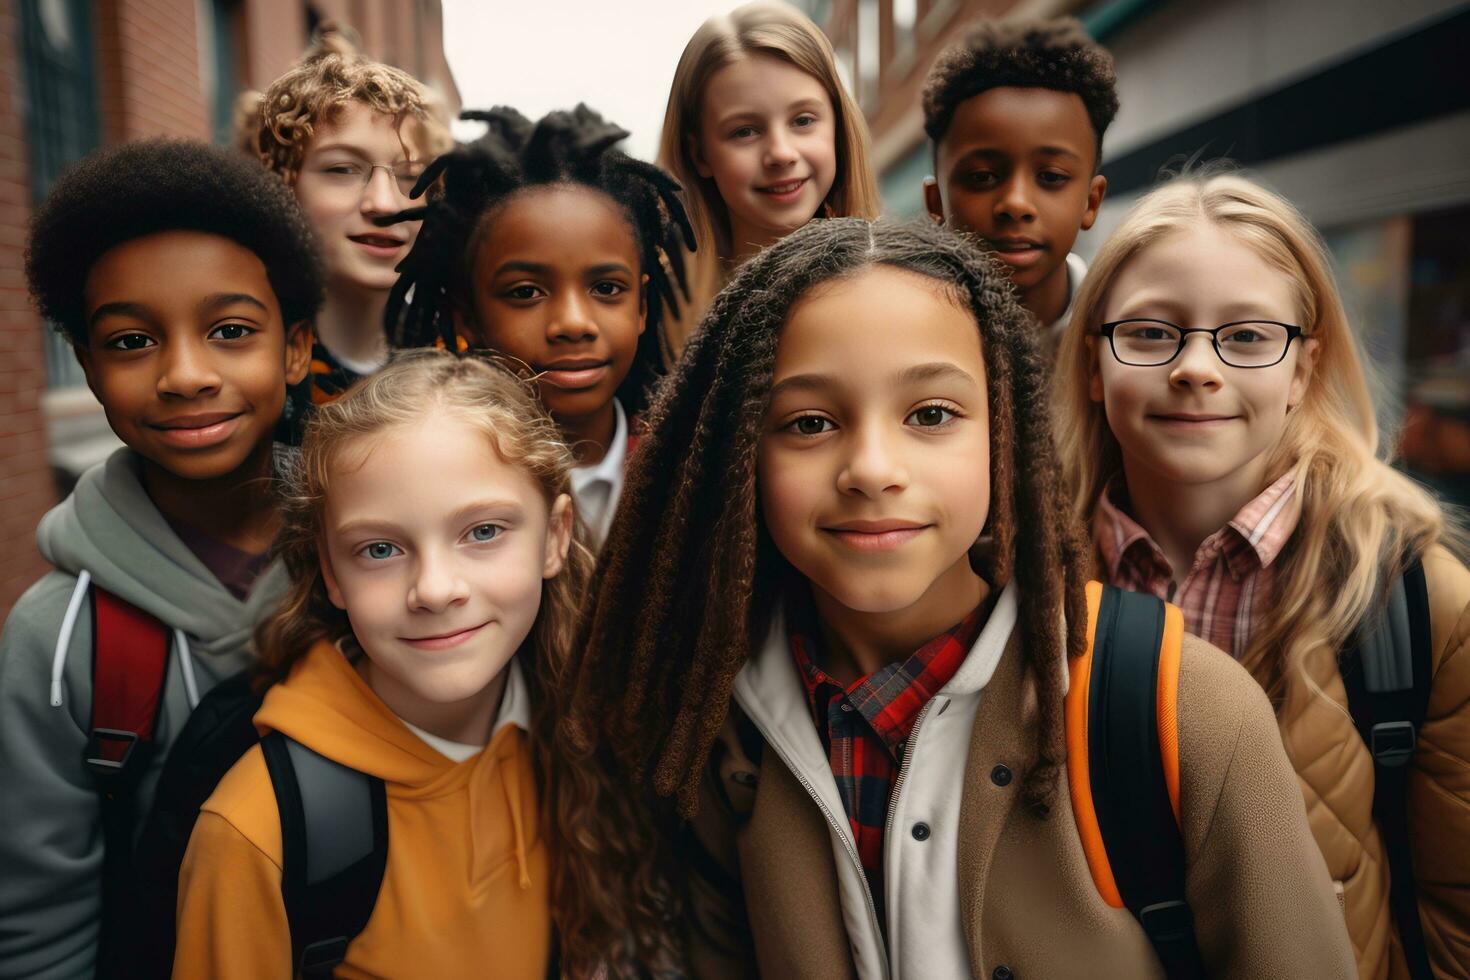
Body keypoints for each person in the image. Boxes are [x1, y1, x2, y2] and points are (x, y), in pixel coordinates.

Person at [561, 218, 1355, 977]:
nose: (872, 468)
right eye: (807, 422)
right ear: (738, 456)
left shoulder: (1187, 707)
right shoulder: (716, 727)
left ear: (1003, 433)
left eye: (931, 414)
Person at [1053, 171, 1470, 977]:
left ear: (1304, 372)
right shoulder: (1017, 584)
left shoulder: (1417, 604)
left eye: (1246, 337)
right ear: (1089, 365)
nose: (1196, 368)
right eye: (1149, 333)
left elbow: (1457, 922)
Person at [0, 139, 321, 977]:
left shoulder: (374, 561)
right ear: (89, 369)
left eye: (229, 331)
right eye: (134, 341)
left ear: (294, 350)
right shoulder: (57, 641)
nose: (185, 374)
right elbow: (41, 924)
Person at [172, 350, 597, 978]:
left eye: (482, 532)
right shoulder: (255, 832)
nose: (434, 588)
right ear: (330, 573)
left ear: (555, 537)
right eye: (379, 548)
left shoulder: (577, 736)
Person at [386, 105, 693, 548]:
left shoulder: (691, 478)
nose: (573, 323)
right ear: (466, 317)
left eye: (606, 288)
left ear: (642, 305)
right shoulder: (420, 482)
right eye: (526, 292)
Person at [656, 0, 880, 359]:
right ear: (700, 155)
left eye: (803, 120)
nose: (781, 153)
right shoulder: (652, 315)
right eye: (745, 131)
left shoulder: (894, 289)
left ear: (837, 125)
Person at [253, 25, 452, 430]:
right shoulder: (250, 367)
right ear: (284, 186)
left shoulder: (465, 359)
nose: (384, 203)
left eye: (411, 176)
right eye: (342, 169)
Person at [922, 17, 1115, 340]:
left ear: (1091, 202)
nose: (1015, 203)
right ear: (935, 202)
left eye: (1051, 176)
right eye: (982, 177)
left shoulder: (1124, 333)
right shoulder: (903, 336)